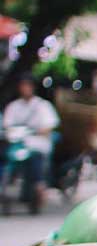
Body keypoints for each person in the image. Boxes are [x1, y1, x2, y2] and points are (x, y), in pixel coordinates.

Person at [3, 76, 58, 209]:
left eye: (27, 85)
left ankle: (39, 186)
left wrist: (37, 131)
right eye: (23, 85)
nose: (25, 88)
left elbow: (49, 125)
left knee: (36, 159)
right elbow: (7, 125)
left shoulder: (42, 106)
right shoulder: (14, 106)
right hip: (18, 144)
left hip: (37, 145)